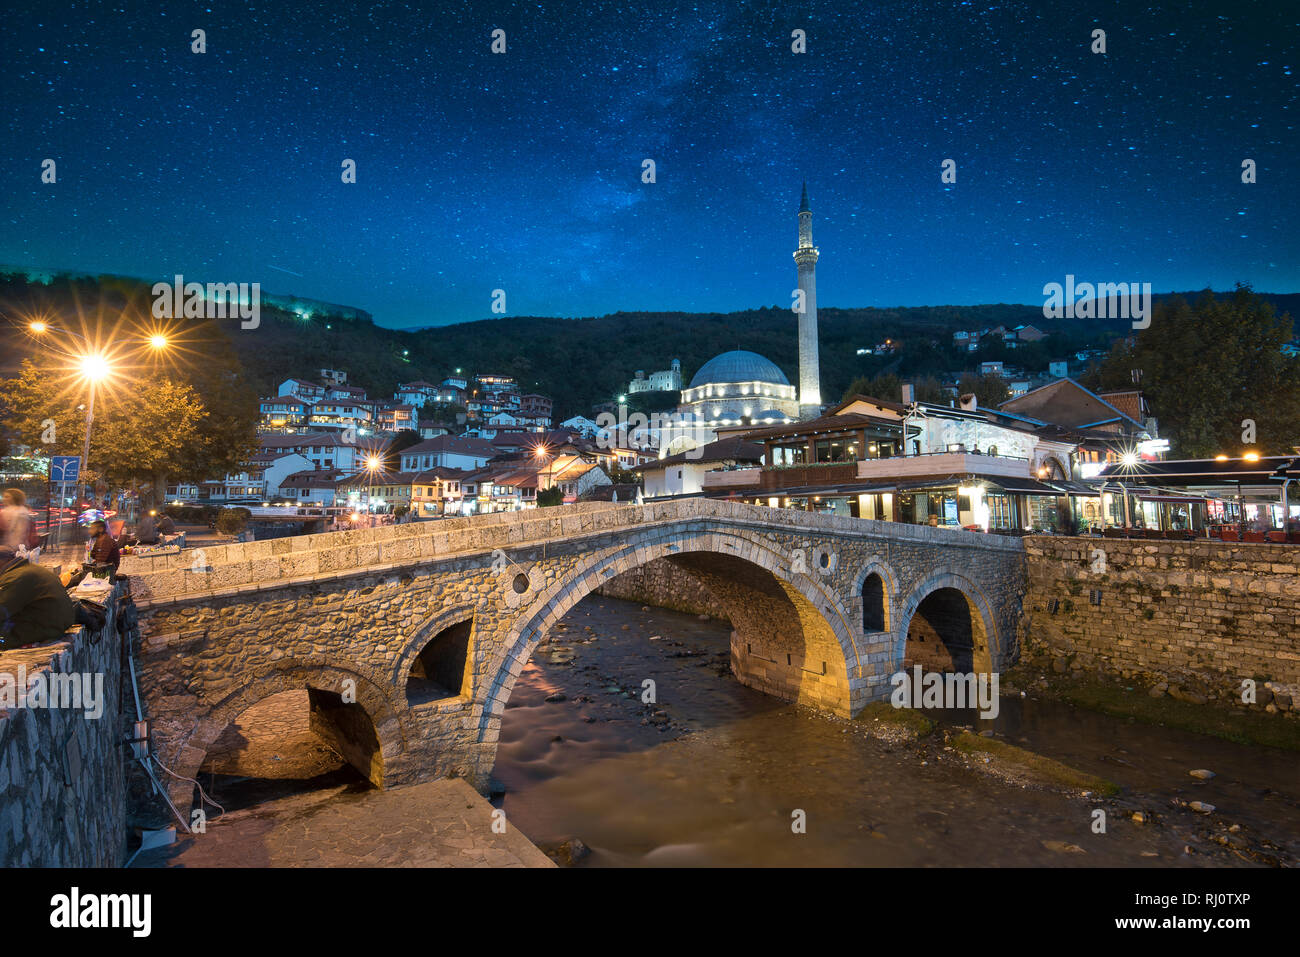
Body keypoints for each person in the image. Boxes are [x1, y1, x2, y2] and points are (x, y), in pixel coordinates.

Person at [0, 547, 76, 649]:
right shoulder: (27, 569)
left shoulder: (16, 577)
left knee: (2, 638)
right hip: (55, 623)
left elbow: (3, 610)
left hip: (43, 627)